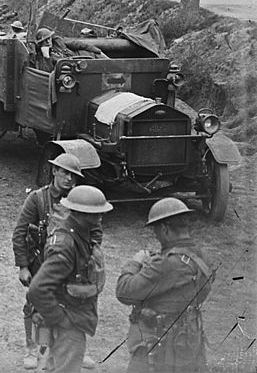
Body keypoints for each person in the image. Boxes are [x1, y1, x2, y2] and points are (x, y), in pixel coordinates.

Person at [13, 153, 98, 370]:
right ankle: (33, 349)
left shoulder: (80, 201)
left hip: (72, 266)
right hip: (41, 261)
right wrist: (23, 266)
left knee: (73, 303)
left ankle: (72, 349)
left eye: (74, 176)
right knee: (34, 306)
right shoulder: (38, 199)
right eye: (65, 173)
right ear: (54, 171)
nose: (69, 179)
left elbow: (96, 232)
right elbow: (20, 232)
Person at [116, 198, 213, 373]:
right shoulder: (203, 257)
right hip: (187, 344)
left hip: (157, 346)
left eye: (155, 230)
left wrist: (135, 262)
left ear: (165, 229)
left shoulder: (167, 264)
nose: (155, 235)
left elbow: (124, 292)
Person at [27, 186, 112, 373]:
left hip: (70, 316)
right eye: (96, 214)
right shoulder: (66, 244)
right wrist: (59, 318)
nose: (100, 218)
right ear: (81, 214)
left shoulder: (78, 234)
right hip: (67, 323)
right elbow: (37, 289)